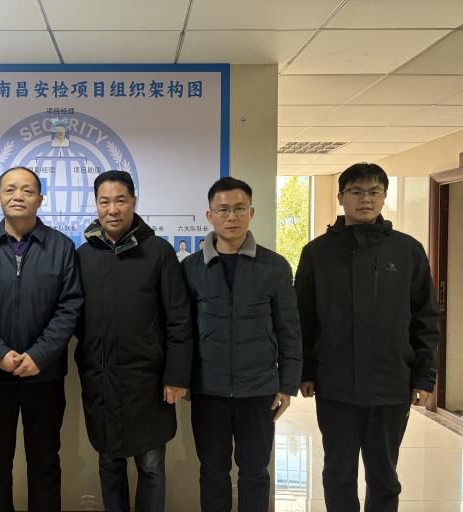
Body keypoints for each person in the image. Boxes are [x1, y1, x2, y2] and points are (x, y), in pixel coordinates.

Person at [294, 162, 440, 512]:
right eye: (357, 191)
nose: (366, 199)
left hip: (390, 384)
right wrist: (305, 371)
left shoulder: (407, 251)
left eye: (374, 192)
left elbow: (425, 318)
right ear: (341, 196)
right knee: (338, 473)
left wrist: (424, 376)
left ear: (384, 197)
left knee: (384, 475)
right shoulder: (317, 253)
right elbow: (303, 318)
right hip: (335, 383)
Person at [0, 166, 82, 512]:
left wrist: (39, 355)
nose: (18, 196)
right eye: (10, 189)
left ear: (40, 199)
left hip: (44, 375)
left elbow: (70, 307)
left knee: (45, 464)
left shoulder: (61, 247)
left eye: (27, 190)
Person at [182, 177, 302, 512]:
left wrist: (288, 385)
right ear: (210, 216)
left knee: (255, 471)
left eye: (239, 209)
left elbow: (289, 329)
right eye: (223, 210)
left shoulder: (274, 267)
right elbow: (182, 332)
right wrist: (182, 378)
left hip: (259, 390)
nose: (231, 216)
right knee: (213, 471)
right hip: (208, 390)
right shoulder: (191, 268)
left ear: (251, 212)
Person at [75, 170, 193, 512]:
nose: (112, 209)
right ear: (96, 205)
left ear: (134, 202)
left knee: (152, 467)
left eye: (120, 200)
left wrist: (176, 376)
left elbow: (179, 318)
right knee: (109, 463)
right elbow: (72, 317)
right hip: (101, 380)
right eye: (104, 201)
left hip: (149, 383)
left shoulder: (158, 252)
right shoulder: (83, 256)